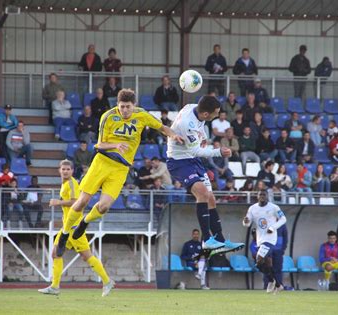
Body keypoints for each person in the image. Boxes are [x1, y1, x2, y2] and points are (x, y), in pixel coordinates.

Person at [55, 89, 181, 257]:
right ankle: (64, 234)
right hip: (102, 162)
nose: (125, 110)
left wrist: (174, 135)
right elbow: (99, 145)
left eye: (128, 107)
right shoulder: (108, 116)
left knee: (104, 206)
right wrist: (116, 145)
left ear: (134, 105)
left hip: (121, 168)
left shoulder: (142, 115)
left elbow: (162, 127)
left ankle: (84, 223)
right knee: (82, 202)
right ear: (117, 105)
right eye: (122, 107)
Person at [166, 95, 244, 256]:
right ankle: (207, 241)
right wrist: (218, 151)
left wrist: (202, 138)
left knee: (211, 198)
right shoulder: (187, 123)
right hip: (179, 161)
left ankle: (220, 241)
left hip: (192, 160)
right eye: (216, 113)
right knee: (202, 193)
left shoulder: (194, 107)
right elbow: (196, 150)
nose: (218, 115)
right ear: (206, 114)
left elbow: (196, 141)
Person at [38, 159, 113, 296]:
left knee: (86, 256)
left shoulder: (72, 183)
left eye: (68, 169)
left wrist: (58, 202)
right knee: (56, 253)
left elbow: (75, 202)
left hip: (74, 227)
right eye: (63, 169)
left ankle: (107, 281)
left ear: (72, 171)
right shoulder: (65, 184)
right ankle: (55, 286)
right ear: (59, 170)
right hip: (67, 227)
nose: (65, 171)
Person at [243, 190, 286, 293]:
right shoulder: (252, 208)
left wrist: (273, 227)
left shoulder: (274, 207)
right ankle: (278, 285)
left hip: (270, 238)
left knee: (259, 259)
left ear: (267, 197)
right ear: (257, 196)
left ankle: (271, 281)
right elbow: (247, 223)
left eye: (264, 195)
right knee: (266, 264)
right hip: (260, 239)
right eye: (260, 195)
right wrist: (245, 221)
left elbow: (283, 219)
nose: (262, 196)